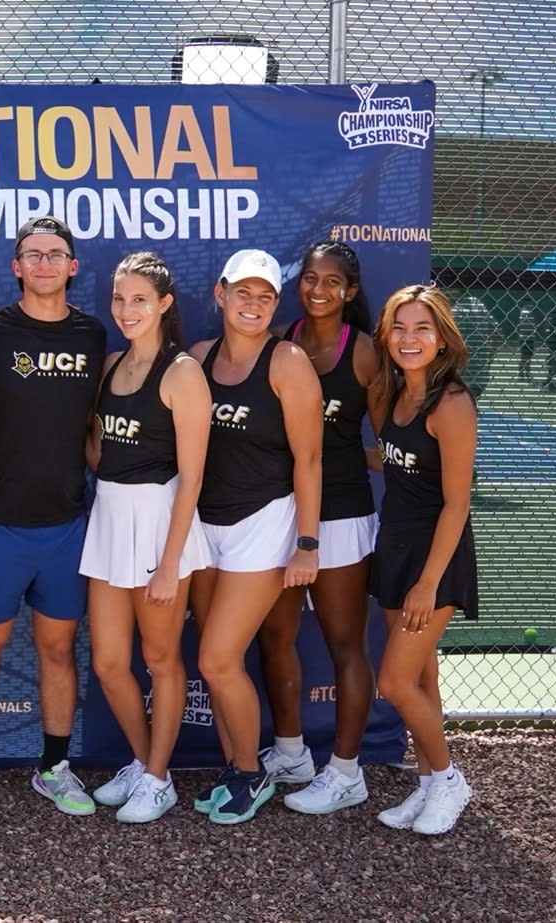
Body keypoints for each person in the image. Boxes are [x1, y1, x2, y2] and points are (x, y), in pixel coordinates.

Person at [0, 217, 107, 817]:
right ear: (16, 267)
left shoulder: (92, 334)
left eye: (55, 254)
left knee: (58, 650)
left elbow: (97, 426)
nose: (44, 263)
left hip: (66, 522)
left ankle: (54, 768)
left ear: (73, 267)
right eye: (32, 254)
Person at [187, 248, 322, 825]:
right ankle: (234, 767)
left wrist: (307, 543)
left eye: (265, 296)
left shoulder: (287, 361)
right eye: (243, 292)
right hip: (202, 525)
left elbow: (309, 459)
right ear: (220, 294)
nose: (253, 303)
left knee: (218, 660)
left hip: (263, 523)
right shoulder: (197, 358)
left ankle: (252, 771)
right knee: (215, 660)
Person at [80, 252, 212, 824]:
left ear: (164, 304)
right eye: (119, 298)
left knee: (160, 659)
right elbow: (99, 449)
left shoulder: (182, 372)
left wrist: (169, 563)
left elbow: (193, 477)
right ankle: (142, 762)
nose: (127, 309)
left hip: (161, 525)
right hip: (110, 518)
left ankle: (159, 779)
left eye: (139, 299)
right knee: (110, 662)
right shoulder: (111, 364)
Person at [252, 241, 380, 815]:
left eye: (332, 281)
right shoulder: (280, 340)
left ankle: (347, 772)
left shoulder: (365, 352)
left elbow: (389, 439)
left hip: (343, 515)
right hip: (281, 513)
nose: (318, 289)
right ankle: (291, 753)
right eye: (309, 278)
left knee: (345, 645)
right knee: (274, 636)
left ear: (350, 292)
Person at [369, 284, 479, 836]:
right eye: (399, 327)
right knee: (420, 677)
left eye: (421, 328)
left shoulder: (451, 404)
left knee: (393, 682)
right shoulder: (397, 394)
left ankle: (451, 780)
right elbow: (397, 461)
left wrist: (428, 583)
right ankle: (430, 782)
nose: (408, 338)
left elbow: (457, 503)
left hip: (434, 560)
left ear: (442, 339)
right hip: (395, 548)